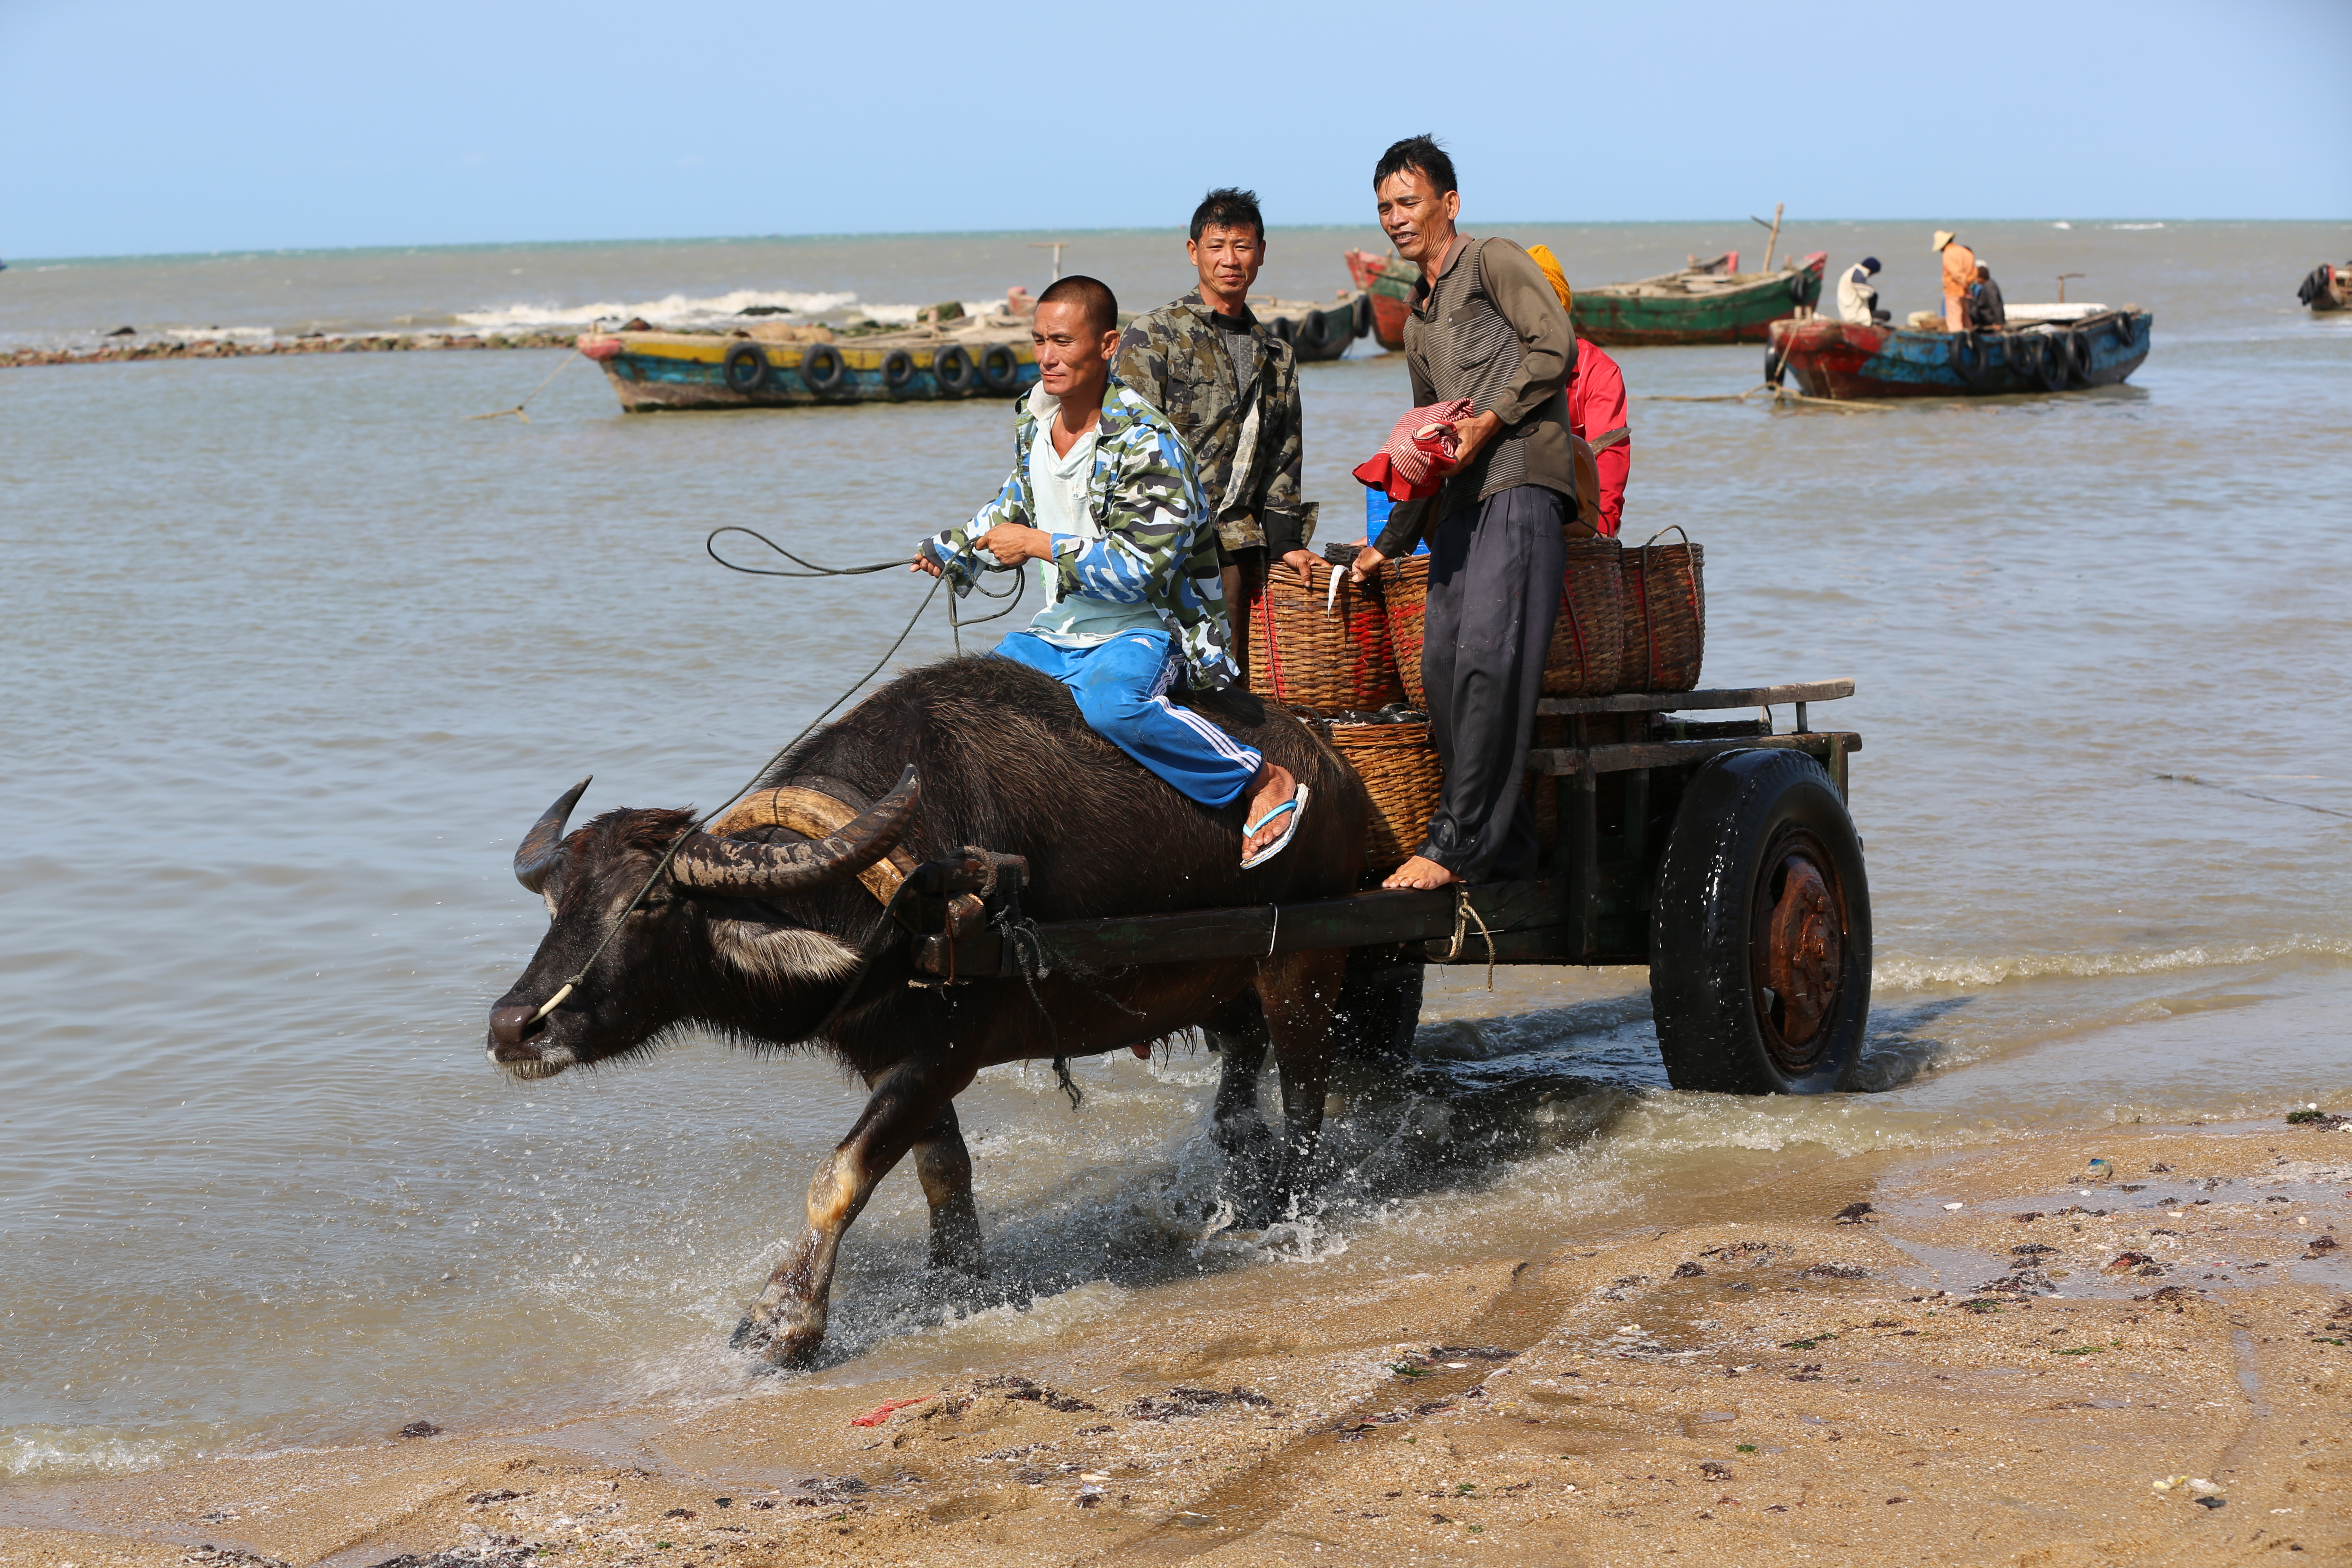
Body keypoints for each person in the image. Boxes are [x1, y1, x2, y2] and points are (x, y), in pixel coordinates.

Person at [913, 275, 1307, 866]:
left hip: (1148, 626)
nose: (1048, 357)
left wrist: (1038, 544)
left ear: (1107, 345)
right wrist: (953, 549)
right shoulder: (1035, 422)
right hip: (1063, 626)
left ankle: (1261, 779)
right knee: (965, 694)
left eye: (1064, 342)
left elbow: (1141, 571)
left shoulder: (1149, 444)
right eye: (1039, 340)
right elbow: (1016, 501)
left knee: (1113, 708)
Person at [1348, 134, 1592, 891]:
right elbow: (1428, 445)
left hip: (1519, 482)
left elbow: (1555, 346)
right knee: (1443, 668)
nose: (1396, 217)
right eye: (1385, 206)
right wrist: (1388, 543)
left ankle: (1454, 843)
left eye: (1409, 201)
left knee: (1489, 655)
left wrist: (1489, 420)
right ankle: (1508, 848)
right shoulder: (1419, 322)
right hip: (1458, 504)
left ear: (1448, 204)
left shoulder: (1493, 260)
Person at [1115, 188, 1319, 675]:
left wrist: (1286, 544)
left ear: (1261, 253)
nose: (1231, 259)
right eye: (1217, 245)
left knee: (1222, 684)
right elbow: (1120, 443)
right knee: (1143, 676)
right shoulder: (1154, 335)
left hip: (1229, 543)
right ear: (1194, 252)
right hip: (1154, 541)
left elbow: (1283, 458)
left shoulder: (1277, 355)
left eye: (1243, 246)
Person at [1565, 336, 1630, 537]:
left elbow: (1610, 455)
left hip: (1570, 515)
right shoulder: (1498, 359)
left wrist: (1602, 530)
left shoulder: (1598, 370)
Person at [1933, 230, 1977, 332]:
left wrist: (1963, 284)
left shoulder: (1948, 254)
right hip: (1966, 291)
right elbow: (1975, 272)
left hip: (1954, 291)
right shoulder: (1966, 252)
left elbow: (1957, 274)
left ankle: (1957, 343)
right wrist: (1967, 286)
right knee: (1966, 318)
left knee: (1954, 321)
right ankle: (1970, 340)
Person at [1837, 256, 1889, 325]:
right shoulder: (1857, 275)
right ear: (1871, 271)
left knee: (1874, 295)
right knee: (1887, 315)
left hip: (1849, 312)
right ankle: (1870, 321)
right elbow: (1865, 294)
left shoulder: (1853, 272)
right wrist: (1871, 289)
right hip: (1854, 316)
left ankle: (1871, 316)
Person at [1968, 262, 2007, 329]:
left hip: (1989, 317)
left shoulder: (1989, 286)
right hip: (1987, 315)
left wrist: (1999, 323)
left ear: (1981, 277)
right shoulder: (1985, 285)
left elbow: (1996, 304)